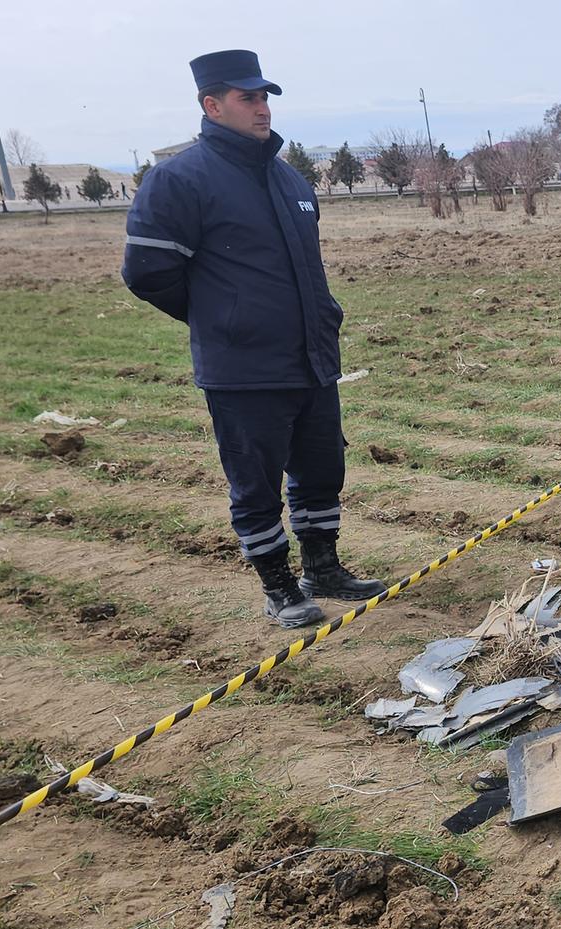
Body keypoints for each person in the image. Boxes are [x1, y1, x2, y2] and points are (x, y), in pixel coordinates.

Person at [121, 50, 382, 628]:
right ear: (212, 105)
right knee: (256, 482)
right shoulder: (178, 180)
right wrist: (224, 318)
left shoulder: (288, 178)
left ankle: (323, 569)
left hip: (312, 356)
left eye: (265, 97)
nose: (262, 107)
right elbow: (146, 274)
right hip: (243, 367)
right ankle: (280, 588)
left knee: (319, 471)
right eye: (248, 97)